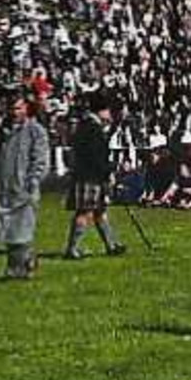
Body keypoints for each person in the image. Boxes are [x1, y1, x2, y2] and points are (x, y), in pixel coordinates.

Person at [0, 93, 51, 280]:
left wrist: (33, 181)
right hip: (5, 188)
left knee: (21, 231)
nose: (15, 112)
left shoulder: (35, 131)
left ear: (27, 108)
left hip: (24, 188)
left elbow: (40, 160)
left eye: (19, 108)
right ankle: (23, 264)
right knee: (8, 231)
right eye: (12, 108)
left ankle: (19, 267)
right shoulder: (4, 131)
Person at [64, 93, 127, 259]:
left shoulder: (87, 126)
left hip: (89, 175)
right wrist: (110, 169)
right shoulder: (92, 128)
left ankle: (111, 245)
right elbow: (96, 157)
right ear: (102, 111)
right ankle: (72, 249)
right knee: (85, 212)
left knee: (100, 211)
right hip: (89, 176)